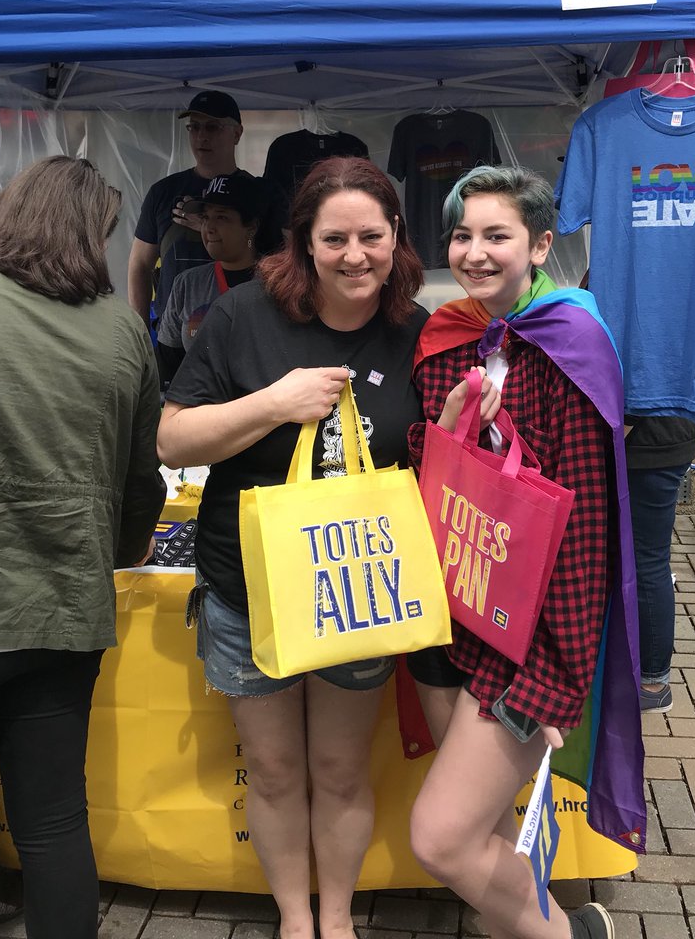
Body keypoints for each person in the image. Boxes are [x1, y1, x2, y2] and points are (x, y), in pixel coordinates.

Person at [157, 157, 426, 939]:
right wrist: (274, 403)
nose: (354, 255)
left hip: (360, 595)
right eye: (333, 237)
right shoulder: (244, 317)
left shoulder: (417, 330)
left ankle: (335, 923)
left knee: (340, 771)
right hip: (248, 593)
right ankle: (293, 921)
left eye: (370, 236)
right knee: (274, 772)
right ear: (303, 242)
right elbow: (171, 437)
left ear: (395, 236)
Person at [406, 166, 644, 939]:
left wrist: (554, 675)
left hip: (528, 646)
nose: (474, 252)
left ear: (540, 244)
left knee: (440, 837)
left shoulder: (572, 345)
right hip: (464, 619)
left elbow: (584, 532)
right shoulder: (453, 337)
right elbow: (440, 488)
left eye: (496, 235)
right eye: (463, 234)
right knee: (472, 828)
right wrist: (451, 425)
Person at [0, 156, 166, 939]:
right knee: (51, 822)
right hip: (65, 607)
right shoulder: (119, 326)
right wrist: (109, 550)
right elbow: (142, 482)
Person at [127, 89, 280, 328]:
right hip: (175, 336)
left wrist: (211, 227)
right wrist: (140, 330)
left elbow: (284, 260)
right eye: (194, 127)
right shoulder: (163, 192)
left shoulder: (263, 193)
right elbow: (140, 264)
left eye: (213, 127)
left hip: (248, 326)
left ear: (237, 133)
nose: (201, 137)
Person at [156, 170, 269, 386]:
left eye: (222, 217)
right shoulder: (187, 284)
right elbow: (167, 366)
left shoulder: (278, 283)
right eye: (205, 217)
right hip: (200, 411)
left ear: (251, 227)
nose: (209, 227)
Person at [625, 417, 695, 714]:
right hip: (670, 436)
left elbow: (641, 379)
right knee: (648, 560)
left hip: (647, 443)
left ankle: (653, 683)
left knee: (647, 562)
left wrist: (617, 433)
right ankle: (650, 678)